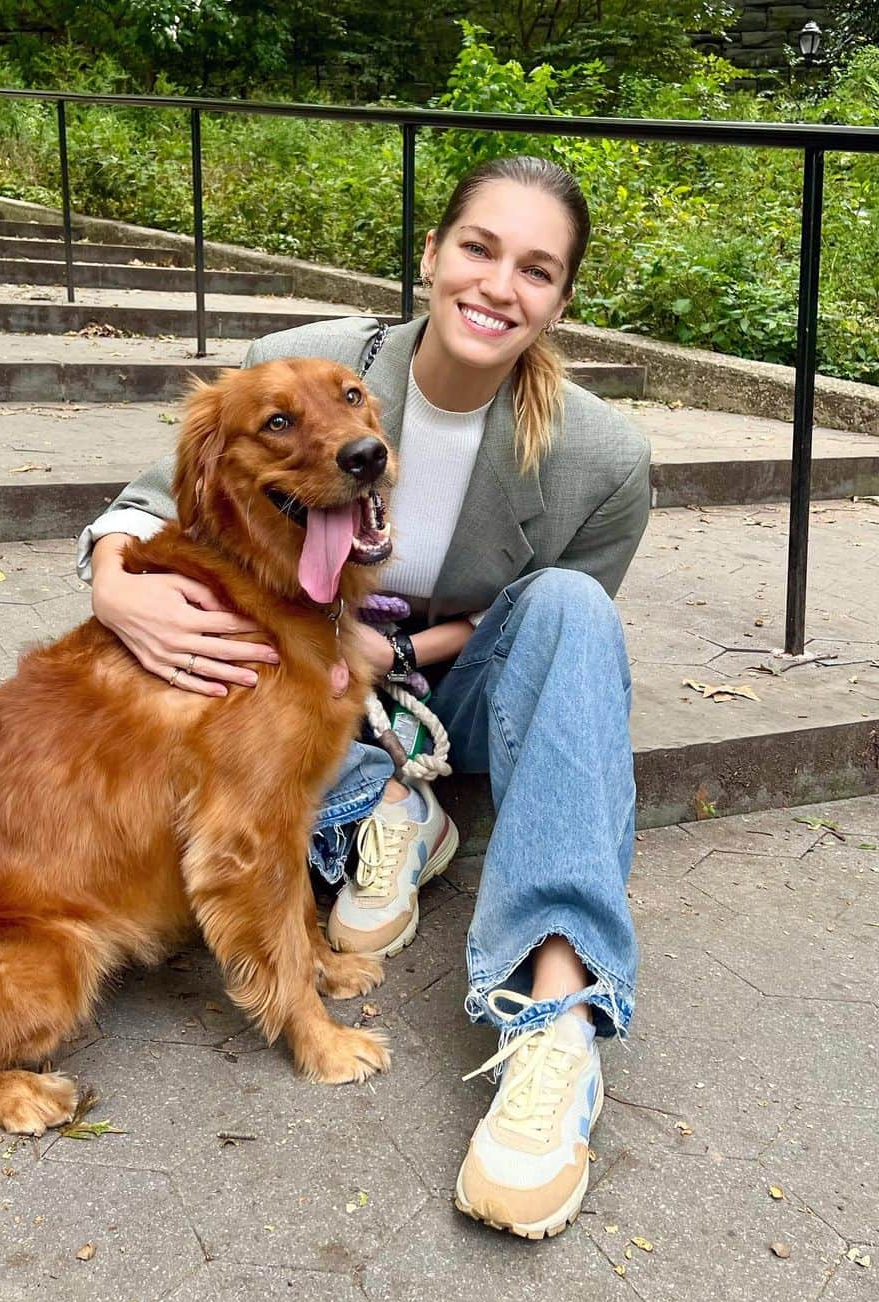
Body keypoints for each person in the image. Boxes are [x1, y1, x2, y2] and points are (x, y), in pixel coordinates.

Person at [76, 155, 650, 1240]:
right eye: (478, 249)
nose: (497, 286)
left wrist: (402, 651)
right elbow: (154, 499)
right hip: (307, 678)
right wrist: (112, 578)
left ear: (562, 300)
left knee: (573, 606)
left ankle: (559, 1012)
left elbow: (547, 644)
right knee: (252, 728)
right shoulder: (314, 367)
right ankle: (394, 808)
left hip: (446, 680)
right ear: (432, 256)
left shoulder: (605, 458)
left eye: (537, 269)